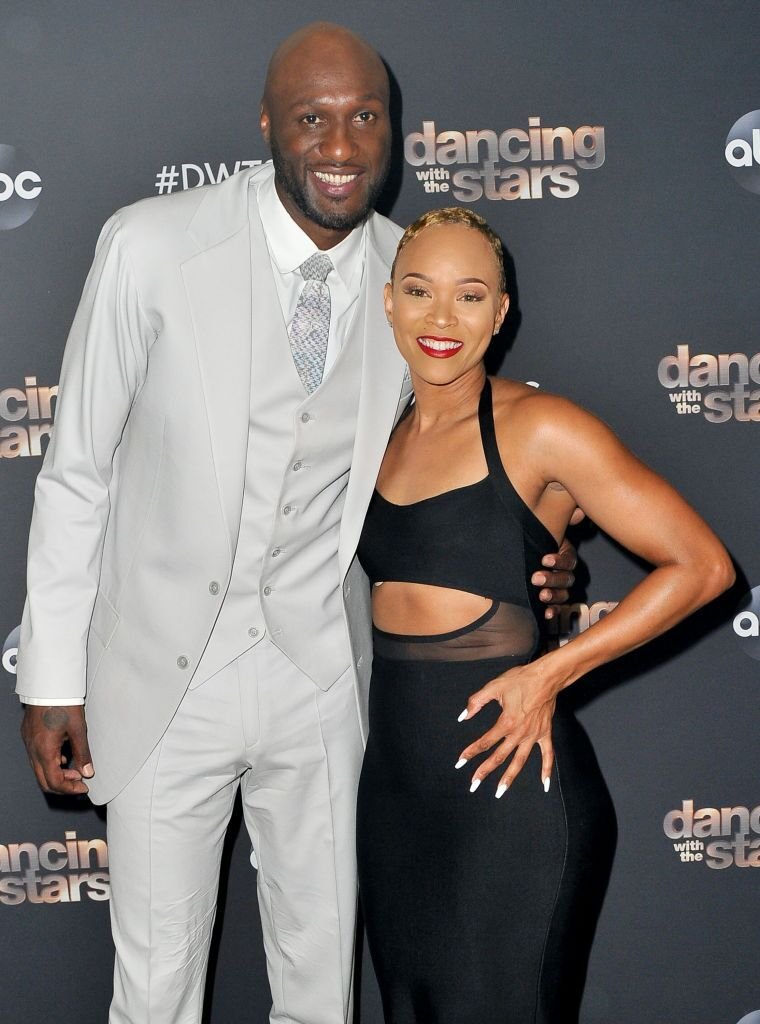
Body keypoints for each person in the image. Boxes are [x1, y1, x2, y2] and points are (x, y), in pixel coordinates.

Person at [15, 24, 573, 1024]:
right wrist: (50, 678)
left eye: (366, 116)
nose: (342, 145)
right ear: (267, 123)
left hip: (322, 678)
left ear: (393, 129)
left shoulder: (415, 274)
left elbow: (474, 446)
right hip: (160, 679)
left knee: (321, 988)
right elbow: (77, 471)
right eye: (313, 117)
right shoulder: (150, 245)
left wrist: (544, 547)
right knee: (155, 988)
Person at [355, 207, 734, 1024]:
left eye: (470, 296)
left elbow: (702, 566)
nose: (442, 319)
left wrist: (550, 673)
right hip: (395, 796)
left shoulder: (541, 427)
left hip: (512, 793)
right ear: (388, 301)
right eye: (420, 291)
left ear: (501, 312)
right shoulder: (371, 434)